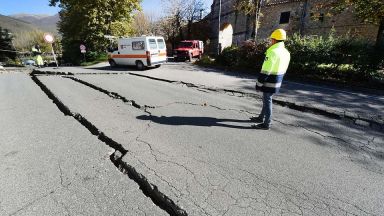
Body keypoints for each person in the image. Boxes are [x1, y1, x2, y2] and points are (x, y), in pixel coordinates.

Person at [251, 29, 291, 130]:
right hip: (278, 80)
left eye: (271, 39)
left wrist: (259, 83)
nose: (270, 41)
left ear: (274, 40)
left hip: (269, 81)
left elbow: (266, 70)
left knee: (267, 100)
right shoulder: (286, 52)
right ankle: (261, 117)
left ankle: (266, 123)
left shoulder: (273, 52)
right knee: (266, 99)